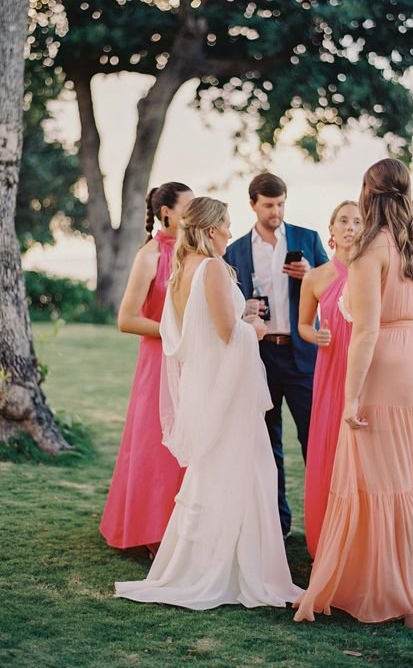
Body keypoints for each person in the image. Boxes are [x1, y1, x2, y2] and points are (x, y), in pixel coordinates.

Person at [115, 197, 302, 609]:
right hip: (225, 388)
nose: (231, 234)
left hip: (207, 382)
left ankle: (214, 562)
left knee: (215, 472)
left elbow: (186, 334)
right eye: (228, 226)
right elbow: (225, 333)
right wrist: (253, 327)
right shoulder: (213, 267)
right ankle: (234, 570)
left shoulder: (183, 271)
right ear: (212, 229)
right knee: (243, 470)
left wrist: (241, 320)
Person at [294, 158, 413, 629]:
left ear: (368, 193)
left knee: (376, 481)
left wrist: (352, 396)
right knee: (403, 480)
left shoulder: (370, 251)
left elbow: (364, 331)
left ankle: (401, 596)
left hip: (386, 364)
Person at [223, 173, 328, 540]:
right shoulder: (234, 251)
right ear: (252, 204)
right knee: (267, 444)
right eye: (268, 205)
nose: (276, 211)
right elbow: (225, 306)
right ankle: (277, 525)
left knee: (314, 441)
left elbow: (336, 288)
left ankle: (324, 524)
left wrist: (311, 274)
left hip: (302, 354)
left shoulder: (307, 239)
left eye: (281, 203)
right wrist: (245, 309)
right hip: (260, 356)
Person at [99, 182, 193, 553]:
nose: (193, 210)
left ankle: (187, 531)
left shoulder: (194, 253)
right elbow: (127, 319)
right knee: (157, 447)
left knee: (188, 443)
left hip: (192, 363)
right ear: (166, 212)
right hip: (159, 361)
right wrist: (174, 334)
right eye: (188, 205)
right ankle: (153, 532)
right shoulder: (151, 255)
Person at [298, 201, 361, 558]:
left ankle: (359, 537)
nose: (350, 226)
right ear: (331, 230)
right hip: (330, 366)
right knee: (329, 446)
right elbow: (303, 325)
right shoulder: (316, 276)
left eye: (357, 221)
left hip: (363, 367)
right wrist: (314, 335)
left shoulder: (374, 273)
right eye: (343, 221)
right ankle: (326, 535)